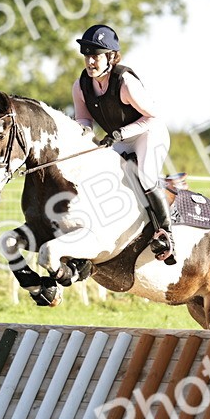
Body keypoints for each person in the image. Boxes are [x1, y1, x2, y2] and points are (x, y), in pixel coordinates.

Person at [70, 23, 175, 264]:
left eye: (95, 56)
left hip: (149, 133)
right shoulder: (81, 86)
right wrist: (85, 138)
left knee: (145, 177)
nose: (90, 62)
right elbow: (84, 119)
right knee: (102, 177)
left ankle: (165, 234)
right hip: (121, 137)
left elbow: (153, 116)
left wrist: (120, 133)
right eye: (87, 56)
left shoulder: (125, 82)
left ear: (111, 57)